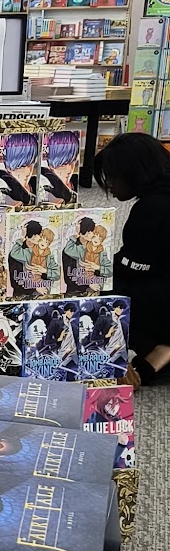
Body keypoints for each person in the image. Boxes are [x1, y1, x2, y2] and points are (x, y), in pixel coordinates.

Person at [94, 132, 170, 383]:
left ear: (134, 173)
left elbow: (133, 269)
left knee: (100, 288)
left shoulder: (153, 208)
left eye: (112, 176)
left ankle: (157, 350)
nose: (109, 185)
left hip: (162, 301)